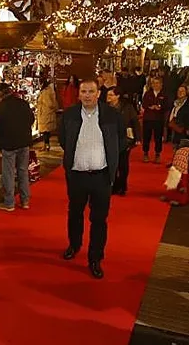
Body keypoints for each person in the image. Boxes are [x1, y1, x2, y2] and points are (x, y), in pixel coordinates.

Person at [59, 79, 121, 279]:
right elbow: (63, 139)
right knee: (75, 213)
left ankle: (95, 258)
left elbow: (120, 139)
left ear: (98, 93)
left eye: (91, 91)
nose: (87, 95)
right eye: (84, 91)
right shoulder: (69, 115)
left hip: (101, 176)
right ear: (79, 94)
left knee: (99, 219)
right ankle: (74, 244)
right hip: (77, 174)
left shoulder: (111, 115)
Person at [0, 82, 35, 211]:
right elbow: (31, 119)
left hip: (8, 143)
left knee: (8, 173)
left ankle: (9, 202)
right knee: (23, 171)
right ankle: (25, 200)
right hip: (24, 142)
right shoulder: (23, 103)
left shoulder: (1, 108)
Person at [106, 87, 139, 195]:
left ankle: (122, 186)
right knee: (112, 164)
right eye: (108, 95)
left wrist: (138, 138)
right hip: (110, 139)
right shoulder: (105, 108)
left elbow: (135, 121)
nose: (108, 97)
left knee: (123, 164)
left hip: (125, 139)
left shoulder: (127, 107)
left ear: (117, 96)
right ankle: (113, 185)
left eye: (111, 95)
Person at [141, 76, 168, 163]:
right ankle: (145, 153)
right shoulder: (147, 93)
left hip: (159, 119)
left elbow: (167, 105)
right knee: (146, 137)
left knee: (158, 137)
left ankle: (157, 154)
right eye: (153, 83)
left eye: (157, 83)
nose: (155, 85)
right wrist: (150, 107)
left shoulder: (164, 94)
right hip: (148, 118)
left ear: (161, 84)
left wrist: (160, 108)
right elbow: (144, 104)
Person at [168, 84, 189, 149]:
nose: (180, 92)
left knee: (182, 147)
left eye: (182, 91)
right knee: (175, 145)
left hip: (184, 128)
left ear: (186, 92)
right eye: (179, 91)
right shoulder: (175, 102)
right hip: (175, 126)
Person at [36, 79, 59, 151]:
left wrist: (41, 104)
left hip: (45, 113)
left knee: (45, 130)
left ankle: (46, 145)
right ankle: (46, 145)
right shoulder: (48, 90)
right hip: (46, 113)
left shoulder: (45, 92)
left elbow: (49, 103)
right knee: (46, 130)